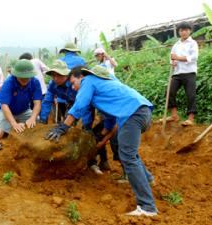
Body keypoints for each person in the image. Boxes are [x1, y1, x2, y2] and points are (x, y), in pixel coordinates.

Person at [45, 65, 157, 216]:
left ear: (81, 77)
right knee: (129, 153)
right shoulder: (101, 84)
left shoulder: (88, 81)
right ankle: (148, 179)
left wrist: (63, 127)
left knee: (128, 156)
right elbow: (109, 115)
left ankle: (147, 207)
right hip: (141, 112)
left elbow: (79, 106)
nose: (73, 87)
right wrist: (103, 132)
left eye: (73, 82)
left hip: (133, 114)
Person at [0, 59, 42, 166]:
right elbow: (4, 105)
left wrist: (33, 118)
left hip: (24, 110)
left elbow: (37, 102)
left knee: (36, 124)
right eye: (22, 77)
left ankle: (33, 157)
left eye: (27, 77)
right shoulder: (9, 82)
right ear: (15, 75)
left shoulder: (35, 82)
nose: (25, 80)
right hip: (7, 111)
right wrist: (14, 123)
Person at [166, 21, 199, 126]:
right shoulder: (176, 45)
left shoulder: (193, 43)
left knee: (191, 95)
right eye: (181, 30)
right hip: (177, 73)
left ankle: (190, 119)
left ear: (190, 31)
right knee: (169, 91)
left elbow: (193, 58)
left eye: (186, 30)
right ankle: (174, 115)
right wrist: (173, 62)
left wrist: (178, 58)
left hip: (189, 73)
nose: (184, 32)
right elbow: (172, 58)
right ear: (179, 32)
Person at [57, 43, 87, 122]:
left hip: (62, 96)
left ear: (65, 51)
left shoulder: (59, 61)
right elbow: (86, 76)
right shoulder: (81, 60)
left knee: (63, 116)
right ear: (75, 51)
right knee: (76, 114)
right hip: (76, 93)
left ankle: (63, 124)